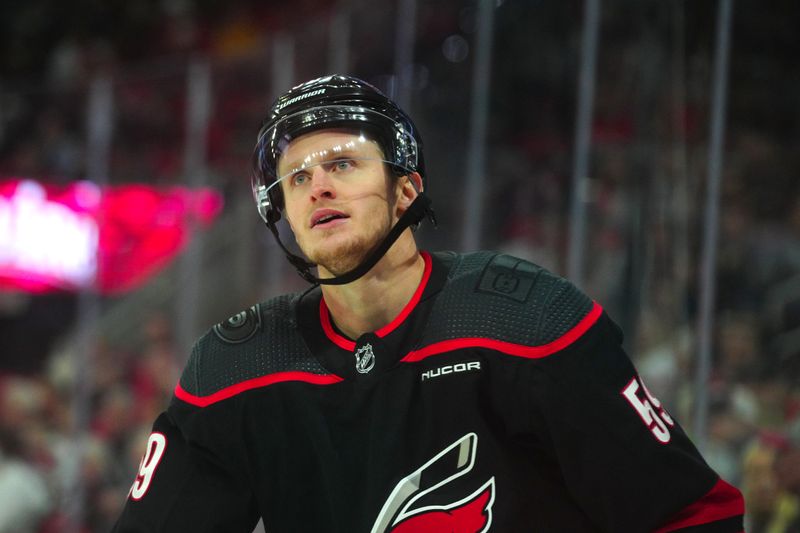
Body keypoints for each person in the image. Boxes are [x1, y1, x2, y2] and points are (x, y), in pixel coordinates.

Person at [113, 74, 745, 532]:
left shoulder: (525, 320)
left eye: (342, 165)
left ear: (406, 190)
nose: (317, 186)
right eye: (297, 178)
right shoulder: (232, 369)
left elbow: (692, 515)